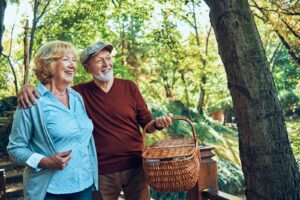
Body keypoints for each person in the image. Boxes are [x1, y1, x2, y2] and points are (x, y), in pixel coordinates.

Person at [18, 41, 172, 200]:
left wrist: (157, 124)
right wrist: (27, 88)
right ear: (87, 67)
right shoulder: (78, 94)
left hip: (136, 167)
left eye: (108, 58)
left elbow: (147, 123)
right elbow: (52, 91)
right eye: (99, 61)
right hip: (102, 171)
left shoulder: (129, 87)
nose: (106, 64)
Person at [8, 41, 98, 200]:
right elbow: (15, 149)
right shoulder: (32, 101)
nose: (73, 66)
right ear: (48, 65)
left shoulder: (77, 98)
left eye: (74, 60)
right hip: (50, 191)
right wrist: (44, 161)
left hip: (84, 185)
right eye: (66, 59)